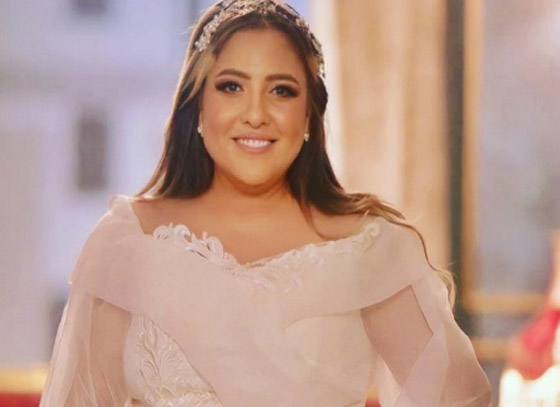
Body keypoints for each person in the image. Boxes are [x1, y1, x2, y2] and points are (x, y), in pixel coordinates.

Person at [39, 1, 492, 406]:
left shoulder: (367, 248)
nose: (255, 114)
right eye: (231, 87)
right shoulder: (129, 242)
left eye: (281, 91)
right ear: (198, 107)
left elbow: (460, 400)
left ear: (309, 114)